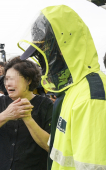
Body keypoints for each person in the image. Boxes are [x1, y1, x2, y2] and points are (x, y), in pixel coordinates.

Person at [18, 5, 106, 170]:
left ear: (63, 49)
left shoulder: (91, 97)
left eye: (43, 52)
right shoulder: (71, 89)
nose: (40, 60)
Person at [0, 57, 53, 170]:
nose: (7, 84)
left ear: (28, 80)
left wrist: (28, 119)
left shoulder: (45, 105)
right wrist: (5, 115)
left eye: (11, 79)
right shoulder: (0, 102)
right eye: (6, 79)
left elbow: (51, 146)